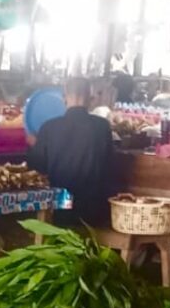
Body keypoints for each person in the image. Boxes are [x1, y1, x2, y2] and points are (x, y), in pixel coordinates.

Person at [27, 76, 125, 227]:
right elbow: (110, 167)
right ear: (91, 100)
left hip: (58, 209)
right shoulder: (101, 127)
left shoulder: (49, 128)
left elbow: (36, 168)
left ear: (64, 99)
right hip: (94, 210)